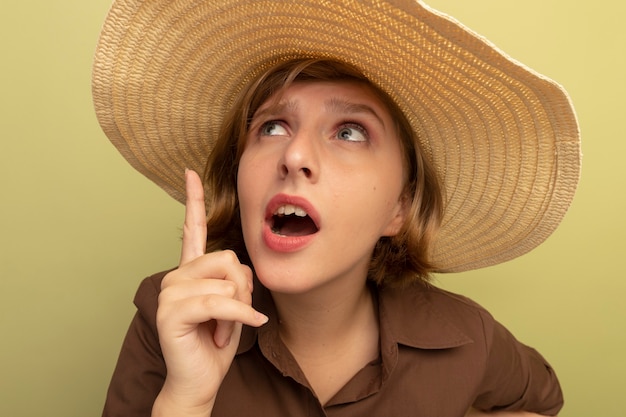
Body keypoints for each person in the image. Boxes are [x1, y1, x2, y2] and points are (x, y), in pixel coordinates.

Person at [92, 1, 581, 416]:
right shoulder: (168, 315)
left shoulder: (467, 337)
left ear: (400, 208)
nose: (295, 156)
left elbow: (543, 401)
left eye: (349, 132)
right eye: (272, 127)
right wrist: (187, 399)